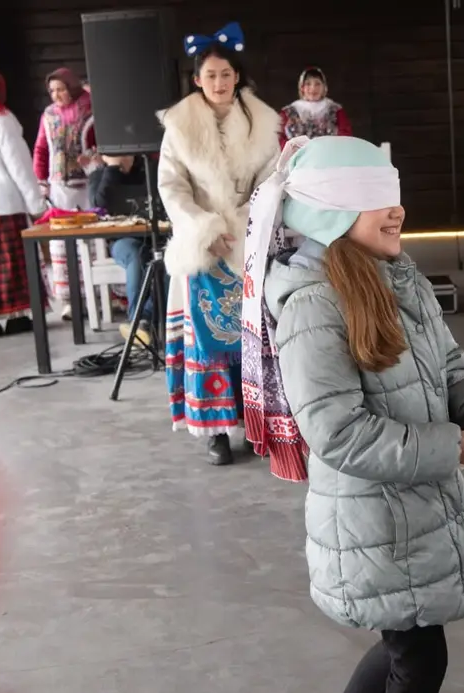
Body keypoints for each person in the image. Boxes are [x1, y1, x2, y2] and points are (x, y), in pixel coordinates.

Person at [242, 135, 464, 691]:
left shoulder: (402, 279)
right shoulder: (313, 303)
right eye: (375, 196)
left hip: (416, 509)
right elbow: (337, 432)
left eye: (394, 192)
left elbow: (450, 370)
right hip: (374, 522)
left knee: (408, 650)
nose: (398, 209)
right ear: (330, 210)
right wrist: (455, 446)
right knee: (418, 659)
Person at [160, 22, 280, 464]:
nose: (219, 82)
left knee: (253, 339)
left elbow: (272, 179)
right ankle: (215, 433)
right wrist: (204, 230)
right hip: (203, 248)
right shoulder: (178, 126)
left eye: (226, 74)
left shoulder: (262, 121)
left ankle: (255, 423)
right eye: (210, 75)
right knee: (207, 342)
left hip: (249, 243)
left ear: (237, 76)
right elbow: (172, 186)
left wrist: (249, 224)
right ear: (197, 79)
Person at [0, 69, 47, 337]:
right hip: (4, 205)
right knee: (10, 265)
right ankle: (17, 316)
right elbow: (19, 165)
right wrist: (37, 205)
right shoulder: (1, 118)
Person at [32, 67, 96, 320]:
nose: (56, 95)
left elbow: (100, 143)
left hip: (88, 186)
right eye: (52, 91)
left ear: (72, 87)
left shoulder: (91, 109)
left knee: (91, 243)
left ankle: (98, 297)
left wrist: (92, 159)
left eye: (61, 89)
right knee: (61, 243)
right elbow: (41, 148)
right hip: (59, 188)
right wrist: (40, 180)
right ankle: (70, 300)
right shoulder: (49, 115)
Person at [91, 154, 161, 344]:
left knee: (169, 259)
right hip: (122, 241)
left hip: (158, 237)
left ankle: (145, 319)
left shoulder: (151, 170)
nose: (123, 158)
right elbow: (98, 207)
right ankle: (137, 323)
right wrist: (112, 170)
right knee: (137, 254)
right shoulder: (100, 176)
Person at [278, 66, 352, 147]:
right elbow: (279, 139)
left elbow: (345, 138)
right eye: (308, 84)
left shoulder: (336, 110)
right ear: (302, 87)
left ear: (324, 87)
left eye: (317, 84)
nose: (313, 88)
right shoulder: (288, 112)